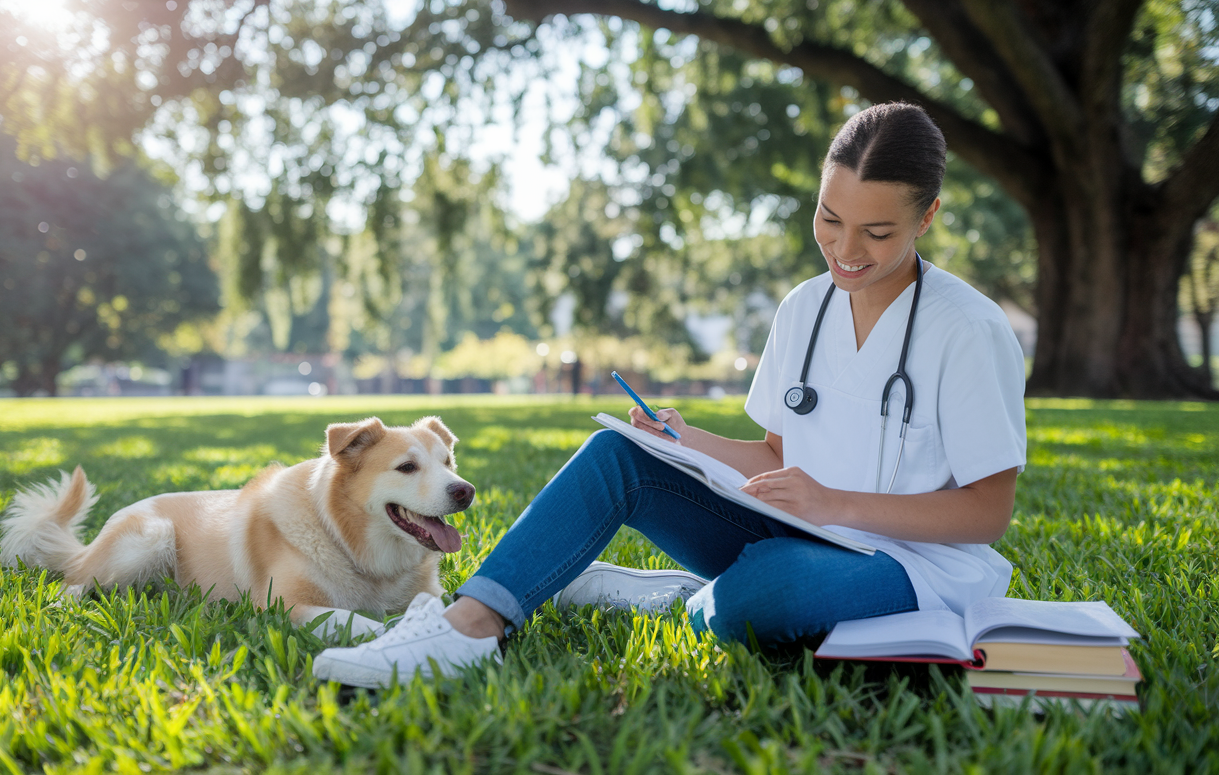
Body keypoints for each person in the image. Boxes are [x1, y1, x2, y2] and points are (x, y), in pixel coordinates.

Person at [312, 102, 1027, 688]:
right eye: (829, 219)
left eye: (877, 232)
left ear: (927, 218)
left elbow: (987, 512)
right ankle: (468, 627)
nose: (844, 251)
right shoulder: (806, 309)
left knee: (766, 592)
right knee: (616, 454)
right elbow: (778, 454)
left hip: (910, 567)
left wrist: (835, 505)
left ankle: (681, 598)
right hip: (799, 528)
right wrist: (688, 442)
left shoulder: (966, 328)